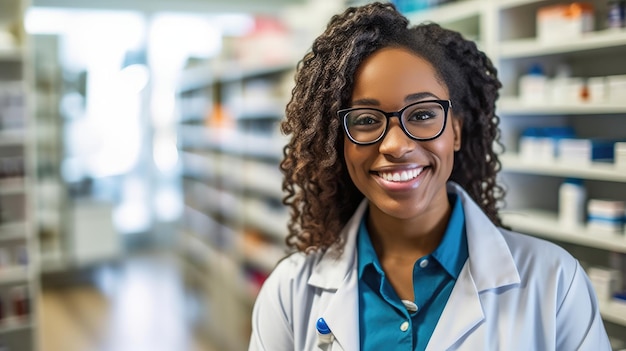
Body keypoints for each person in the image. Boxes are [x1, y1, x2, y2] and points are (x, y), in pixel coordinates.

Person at [248, 2, 611, 350]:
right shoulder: (290, 292)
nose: (396, 145)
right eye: (366, 120)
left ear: (455, 129)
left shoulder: (555, 282)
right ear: (339, 142)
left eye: (421, 115)